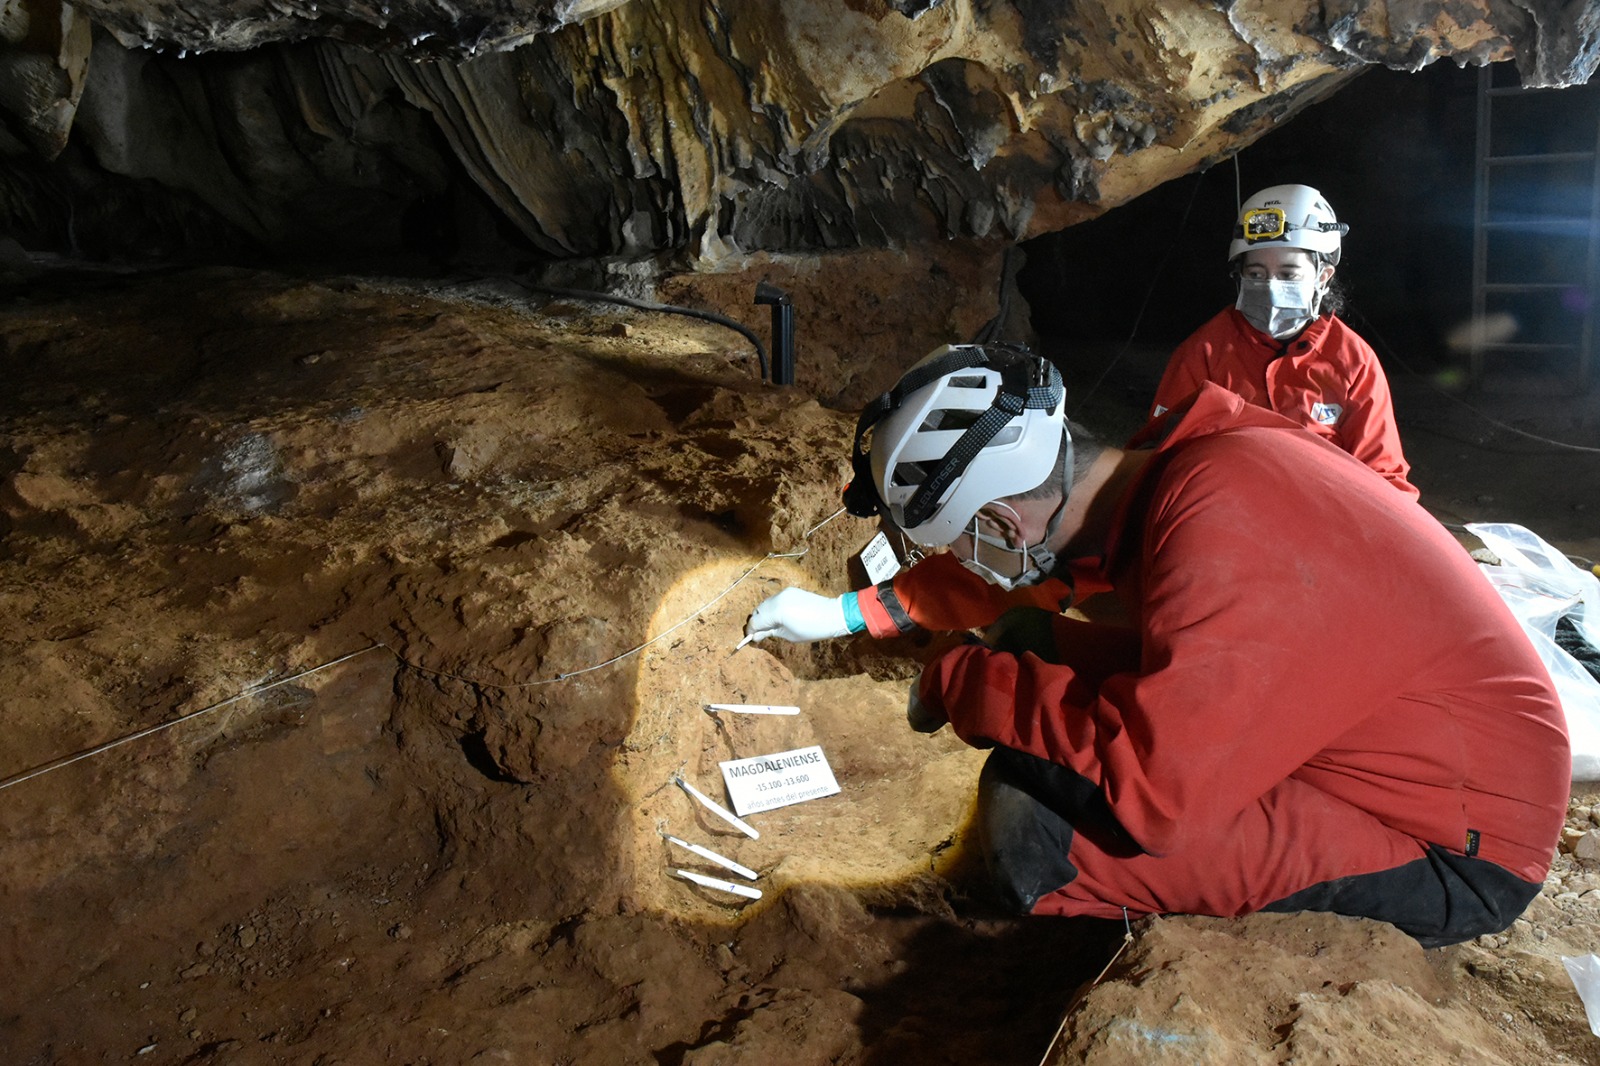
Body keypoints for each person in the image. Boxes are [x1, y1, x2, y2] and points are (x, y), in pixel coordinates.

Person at [746, 342, 1567, 947]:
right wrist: (879, 617)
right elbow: (1091, 621)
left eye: (962, 543)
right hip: (1388, 750)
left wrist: (974, 687)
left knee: (1036, 824)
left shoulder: (1220, 522)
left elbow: (1159, 794)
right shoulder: (1180, 476)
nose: (968, 563)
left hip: (1457, 845)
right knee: (1046, 694)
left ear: (1001, 520)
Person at [1152, 184, 1420, 498]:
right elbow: (1163, 458)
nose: (1269, 286)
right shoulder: (1204, 352)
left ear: (1322, 277)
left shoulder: (1352, 360)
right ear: (1239, 276)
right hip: (1230, 512)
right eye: (1256, 273)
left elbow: (1383, 475)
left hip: (1326, 513)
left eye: (1289, 274)